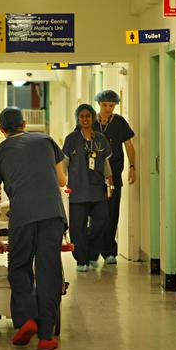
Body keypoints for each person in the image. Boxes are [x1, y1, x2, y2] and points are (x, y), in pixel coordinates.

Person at [0, 107, 67, 350]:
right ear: (24, 124)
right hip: (52, 214)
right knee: (49, 271)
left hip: (21, 215)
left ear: (2, 130)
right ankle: (45, 337)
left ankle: (26, 319)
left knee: (19, 267)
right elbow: (62, 181)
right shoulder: (46, 140)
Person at [62, 104, 113, 272]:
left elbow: (106, 164)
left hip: (97, 190)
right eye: (82, 116)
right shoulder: (71, 140)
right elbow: (64, 164)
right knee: (77, 228)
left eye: (88, 116)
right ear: (78, 118)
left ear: (92, 118)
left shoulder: (100, 139)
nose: (85, 119)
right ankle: (81, 260)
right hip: (77, 190)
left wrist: (110, 184)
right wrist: (61, 184)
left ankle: (92, 253)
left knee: (101, 222)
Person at [93, 90, 136, 265]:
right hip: (92, 178)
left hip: (113, 177)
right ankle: (92, 251)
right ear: (99, 104)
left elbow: (129, 145)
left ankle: (109, 251)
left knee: (111, 214)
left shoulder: (119, 123)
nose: (108, 109)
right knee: (95, 215)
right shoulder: (90, 121)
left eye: (111, 105)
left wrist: (133, 167)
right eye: (105, 105)